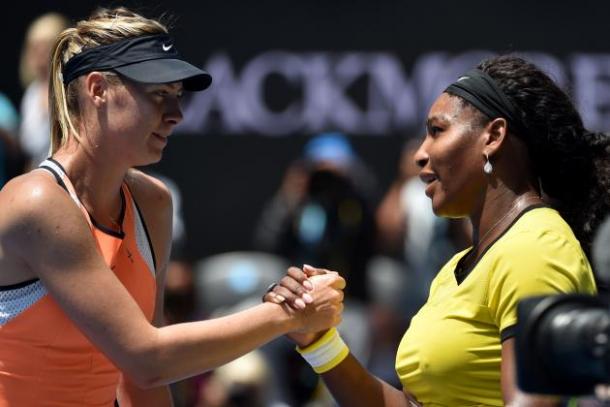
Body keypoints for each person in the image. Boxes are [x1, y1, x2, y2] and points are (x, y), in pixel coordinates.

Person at [0, 7, 345, 406]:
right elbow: (147, 358)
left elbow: (140, 384)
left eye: (177, 96)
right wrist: (290, 314)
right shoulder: (36, 202)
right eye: (158, 95)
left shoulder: (153, 204)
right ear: (97, 90)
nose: (176, 115)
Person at [265, 55, 610, 406]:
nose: (419, 154)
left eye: (437, 131)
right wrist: (319, 339)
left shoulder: (535, 248)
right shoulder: (458, 266)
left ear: (493, 136)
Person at [18, 12, 69, 168]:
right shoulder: (31, 94)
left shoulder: (69, 88)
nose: (39, 55)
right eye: (34, 48)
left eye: (45, 47)